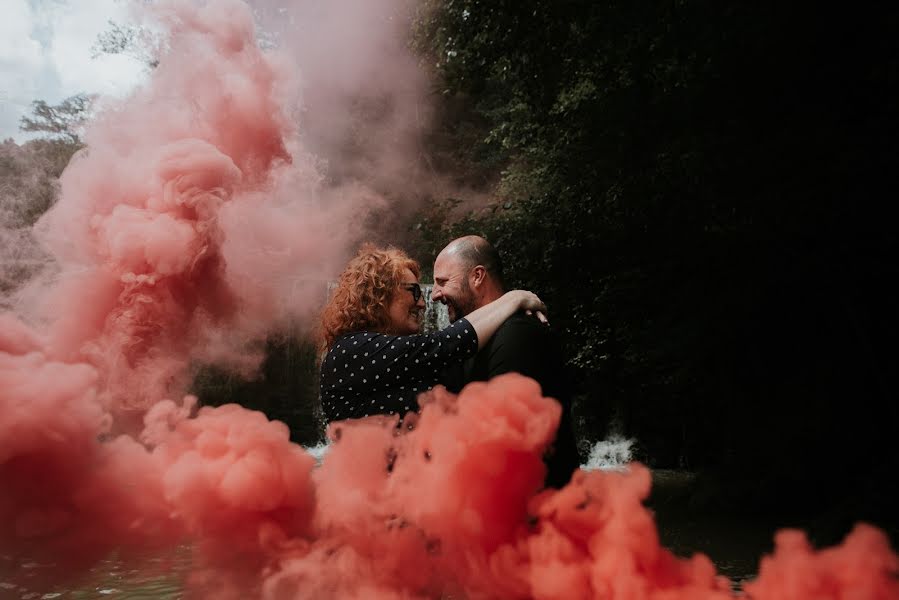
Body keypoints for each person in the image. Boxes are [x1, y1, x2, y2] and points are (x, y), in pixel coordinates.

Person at [317, 244, 547, 424]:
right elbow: (446, 343)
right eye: (414, 291)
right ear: (378, 294)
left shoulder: (393, 362)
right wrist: (513, 299)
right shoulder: (351, 349)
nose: (422, 303)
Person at [431, 235, 580, 488]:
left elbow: (506, 444)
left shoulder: (518, 334)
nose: (435, 294)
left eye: (443, 282)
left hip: (541, 513)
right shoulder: (473, 342)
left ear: (477, 277)